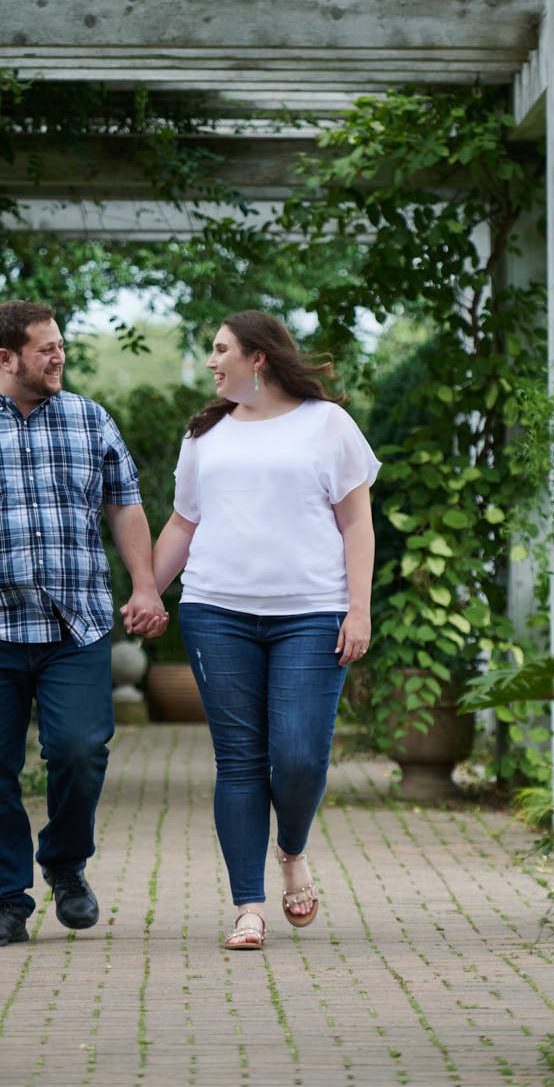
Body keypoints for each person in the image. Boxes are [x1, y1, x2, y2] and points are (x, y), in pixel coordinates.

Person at [0, 299, 168, 948]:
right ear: (5, 358)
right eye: (46, 348)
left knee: (78, 749)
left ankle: (66, 864)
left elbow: (123, 504)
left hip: (75, 624)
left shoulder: (87, 419)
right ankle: (4, 901)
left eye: (61, 346)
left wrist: (146, 583)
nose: (59, 356)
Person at [149, 310, 379, 950]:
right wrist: (147, 589)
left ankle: (293, 849)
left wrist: (357, 609)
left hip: (312, 613)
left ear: (259, 357)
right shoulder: (206, 433)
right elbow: (182, 525)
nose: (210, 361)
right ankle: (248, 905)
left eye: (220, 349)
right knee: (241, 762)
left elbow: (356, 524)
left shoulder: (327, 425)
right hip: (216, 613)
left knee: (301, 756)